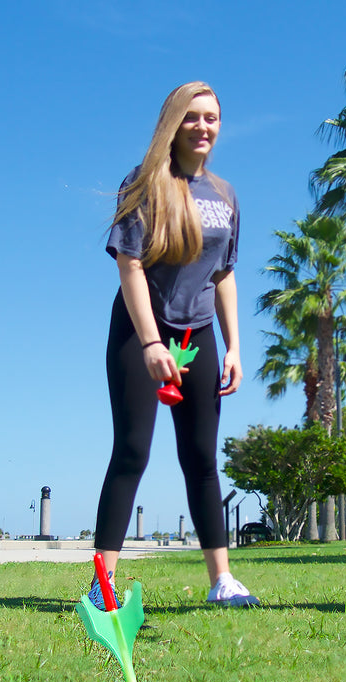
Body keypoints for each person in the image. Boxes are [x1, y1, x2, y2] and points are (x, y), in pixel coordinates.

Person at [89, 81, 258, 610]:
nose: (203, 127)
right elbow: (129, 265)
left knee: (201, 459)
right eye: (192, 117)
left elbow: (225, 274)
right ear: (173, 123)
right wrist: (149, 343)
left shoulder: (225, 195)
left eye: (212, 117)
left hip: (199, 334)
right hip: (141, 332)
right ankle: (102, 582)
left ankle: (222, 580)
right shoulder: (143, 183)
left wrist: (234, 346)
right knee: (133, 451)